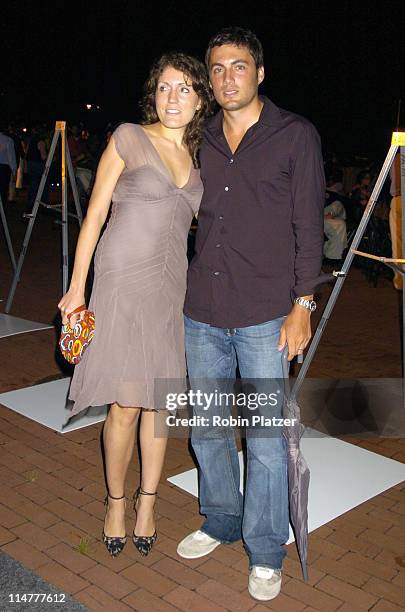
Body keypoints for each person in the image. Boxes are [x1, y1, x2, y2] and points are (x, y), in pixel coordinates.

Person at [176, 27, 325, 602]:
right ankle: (220, 519)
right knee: (208, 429)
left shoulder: (295, 135)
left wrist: (302, 304)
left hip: (266, 313)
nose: (226, 77)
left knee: (264, 439)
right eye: (216, 69)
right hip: (202, 311)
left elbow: (308, 228)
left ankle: (265, 549)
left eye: (238, 66)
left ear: (260, 73)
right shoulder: (199, 137)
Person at [58, 52, 212, 558]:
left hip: (171, 288)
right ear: (154, 93)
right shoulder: (128, 136)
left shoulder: (199, 158)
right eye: (166, 87)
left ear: (199, 100)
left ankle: (149, 500)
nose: (174, 97)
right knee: (124, 404)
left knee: (160, 403)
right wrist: (77, 286)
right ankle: (117, 502)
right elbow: (96, 210)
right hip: (122, 282)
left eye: (185, 89)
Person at [324, 172, 347, 263]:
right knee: (339, 224)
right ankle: (332, 256)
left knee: (339, 223)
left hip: (330, 214)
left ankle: (333, 256)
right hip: (315, 217)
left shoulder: (337, 190)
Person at [389, 152, 402, 289]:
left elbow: (393, 177)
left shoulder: (397, 156)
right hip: (399, 197)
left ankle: (401, 280)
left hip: (399, 197)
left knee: (398, 244)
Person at [0, 127, 16, 207]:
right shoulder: (8, 140)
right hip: (3, 168)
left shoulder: (8, 140)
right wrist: (13, 170)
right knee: (3, 191)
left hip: (4, 167)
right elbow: (11, 157)